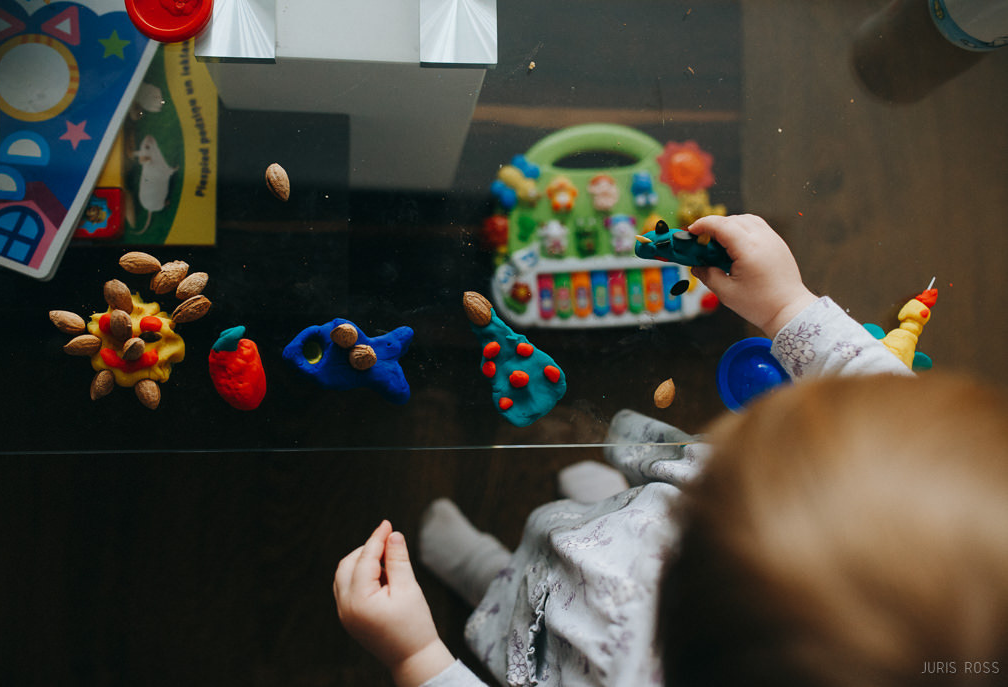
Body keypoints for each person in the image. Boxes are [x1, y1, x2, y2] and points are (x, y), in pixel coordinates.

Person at [334, 214, 1008, 686]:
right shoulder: (952, 524)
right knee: (585, 525)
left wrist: (418, 655)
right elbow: (885, 407)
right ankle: (593, 521)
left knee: (527, 599)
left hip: (571, 635)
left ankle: (487, 572)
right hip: (635, 532)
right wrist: (787, 306)